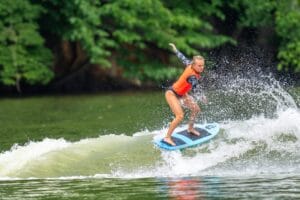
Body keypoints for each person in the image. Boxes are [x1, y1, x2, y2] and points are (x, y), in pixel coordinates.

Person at [164, 43, 206, 146]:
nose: (201, 68)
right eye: (199, 66)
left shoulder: (189, 64)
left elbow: (182, 57)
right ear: (194, 65)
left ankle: (190, 128)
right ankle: (167, 137)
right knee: (180, 116)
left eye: (203, 65)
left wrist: (175, 49)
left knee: (196, 109)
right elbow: (195, 86)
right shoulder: (192, 76)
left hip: (183, 94)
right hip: (172, 94)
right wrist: (202, 96)